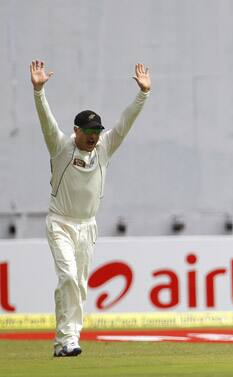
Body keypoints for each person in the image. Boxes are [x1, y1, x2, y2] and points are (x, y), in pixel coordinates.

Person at [30, 60, 151, 356]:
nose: (94, 136)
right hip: (60, 223)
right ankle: (66, 338)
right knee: (68, 276)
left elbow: (124, 124)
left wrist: (143, 95)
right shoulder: (60, 146)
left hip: (88, 226)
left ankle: (67, 341)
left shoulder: (104, 148)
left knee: (79, 285)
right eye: (89, 131)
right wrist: (38, 91)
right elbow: (47, 122)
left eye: (97, 130)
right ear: (76, 130)